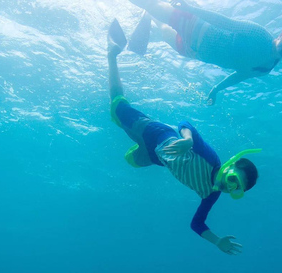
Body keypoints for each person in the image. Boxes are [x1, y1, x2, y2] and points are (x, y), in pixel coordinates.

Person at [107, 20, 260, 255]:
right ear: (229, 166)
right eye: (233, 180)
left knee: (129, 160)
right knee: (117, 109)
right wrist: (188, 140)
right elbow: (184, 124)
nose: (229, 188)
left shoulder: (212, 195)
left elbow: (196, 224)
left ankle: (133, 136)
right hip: (157, 135)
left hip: (157, 157)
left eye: (235, 190)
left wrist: (217, 241)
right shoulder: (211, 158)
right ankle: (113, 53)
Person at [127, 0, 282, 105]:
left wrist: (216, 89)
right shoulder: (259, 35)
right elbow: (224, 22)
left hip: (193, 51)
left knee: (161, 26)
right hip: (196, 26)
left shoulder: (265, 68)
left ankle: (149, 15)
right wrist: (190, 9)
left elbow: (239, 76)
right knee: (151, 5)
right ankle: (152, 9)